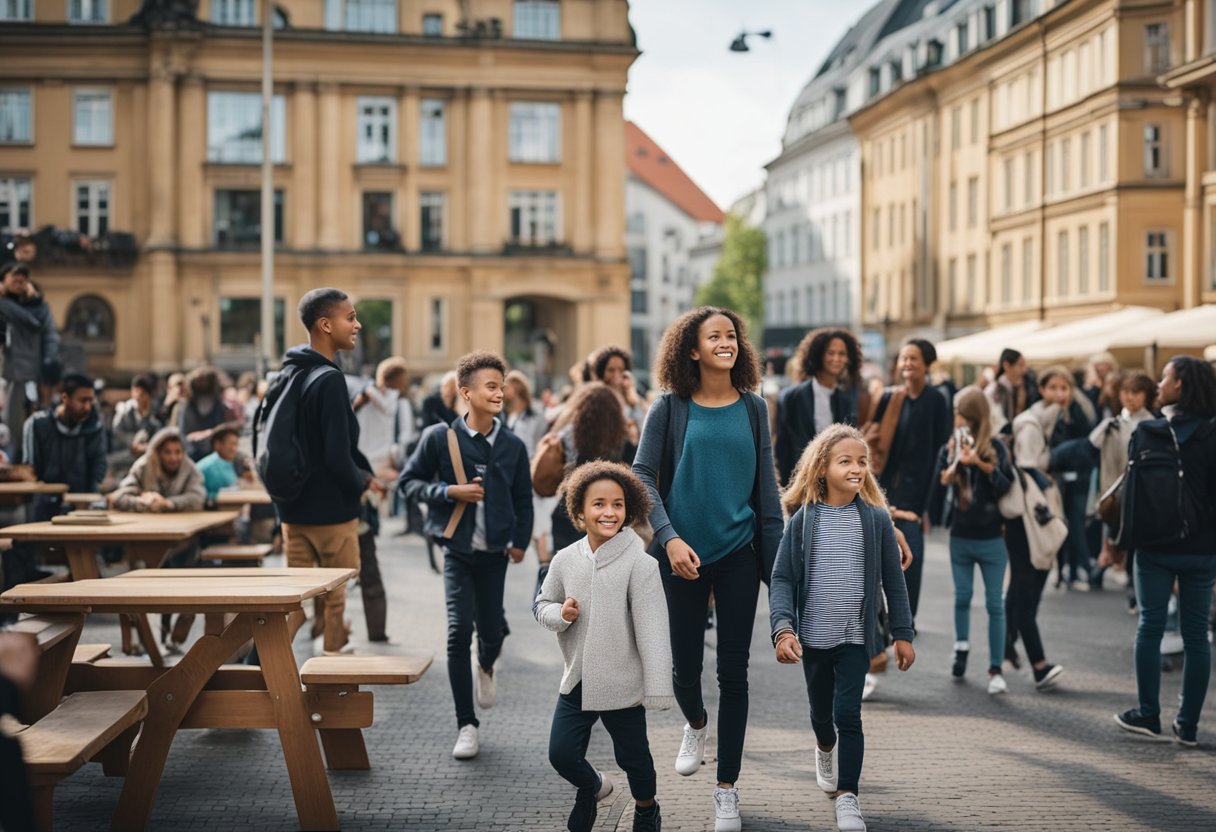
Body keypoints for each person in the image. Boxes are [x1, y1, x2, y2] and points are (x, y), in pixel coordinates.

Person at [632, 306, 783, 832]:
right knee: (683, 670)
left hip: (739, 555)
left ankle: (727, 791)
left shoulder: (754, 409)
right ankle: (695, 723)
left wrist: (780, 573)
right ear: (691, 350)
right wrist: (669, 539)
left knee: (735, 674)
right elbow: (642, 479)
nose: (727, 342)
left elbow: (767, 493)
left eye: (732, 335)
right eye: (714, 336)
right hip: (681, 560)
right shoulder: (669, 409)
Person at [769, 424, 915, 832]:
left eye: (863, 462)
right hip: (812, 638)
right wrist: (783, 628)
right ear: (821, 468)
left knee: (847, 713)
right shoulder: (803, 522)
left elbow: (893, 578)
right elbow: (781, 579)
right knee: (821, 715)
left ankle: (848, 797)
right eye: (846, 461)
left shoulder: (876, 520)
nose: (857, 468)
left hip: (856, 637)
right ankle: (823, 746)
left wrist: (902, 633)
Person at [399, 351, 533, 761]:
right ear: (465, 392)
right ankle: (466, 724)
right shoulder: (439, 438)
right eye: (491, 386)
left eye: (502, 385)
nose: (500, 393)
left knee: (491, 632)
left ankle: (488, 664)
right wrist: (448, 492)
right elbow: (408, 483)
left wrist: (520, 541)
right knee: (459, 632)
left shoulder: (513, 444)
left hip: (495, 554)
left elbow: (522, 500)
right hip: (456, 550)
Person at [534, 461, 671, 832]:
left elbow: (654, 629)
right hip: (577, 678)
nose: (608, 512)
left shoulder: (640, 565)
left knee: (635, 759)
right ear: (579, 511)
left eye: (617, 504)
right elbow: (541, 605)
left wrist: (657, 688)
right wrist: (560, 614)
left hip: (622, 681)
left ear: (629, 511)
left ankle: (646, 808)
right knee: (561, 753)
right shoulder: (564, 559)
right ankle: (592, 786)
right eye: (598, 504)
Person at [271, 288, 383, 657]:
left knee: (295, 603)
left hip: (292, 509)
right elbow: (338, 456)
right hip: (333, 514)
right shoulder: (331, 379)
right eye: (350, 317)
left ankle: (265, 670)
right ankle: (330, 684)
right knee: (335, 601)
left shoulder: (288, 372)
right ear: (325, 324)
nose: (358, 324)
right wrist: (361, 486)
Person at [1114, 357, 1216, 747]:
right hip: (1203, 548)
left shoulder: (1147, 431)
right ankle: (1187, 726)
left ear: (1181, 386)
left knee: (1150, 627)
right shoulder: (1213, 433)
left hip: (1154, 546)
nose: (1159, 383)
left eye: (1166, 378)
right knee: (1196, 636)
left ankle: (1148, 714)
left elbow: (1133, 494)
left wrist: (1125, 541)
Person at [930, 387, 1014, 694]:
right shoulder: (950, 447)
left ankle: (995, 668)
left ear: (974, 417)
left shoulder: (996, 448)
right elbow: (941, 482)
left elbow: (1007, 485)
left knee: (995, 603)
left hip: (993, 538)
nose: (957, 419)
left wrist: (979, 463)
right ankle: (961, 648)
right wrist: (954, 464)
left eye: (961, 414)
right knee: (962, 596)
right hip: (961, 536)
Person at [1004, 369, 1074, 688]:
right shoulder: (1032, 424)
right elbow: (1028, 468)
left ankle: (1005, 647)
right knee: (1028, 587)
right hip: (1029, 514)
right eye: (1054, 387)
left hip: (1028, 512)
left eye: (1066, 388)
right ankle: (1039, 664)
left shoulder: (1050, 420)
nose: (1061, 394)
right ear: (1042, 389)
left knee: (1021, 587)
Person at [871, 338, 950, 622]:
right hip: (886, 488)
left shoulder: (936, 400)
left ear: (927, 364)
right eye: (903, 358)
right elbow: (874, 436)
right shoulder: (891, 398)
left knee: (911, 556)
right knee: (880, 552)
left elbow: (941, 449)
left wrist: (929, 505)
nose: (907, 364)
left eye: (913, 358)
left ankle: (906, 620)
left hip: (918, 492)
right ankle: (881, 616)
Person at [110, 427, 208, 652]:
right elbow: (120, 496)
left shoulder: (189, 468)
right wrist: (143, 501)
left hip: (183, 541)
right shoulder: (144, 466)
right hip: (147, 538)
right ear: (157, 453)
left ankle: (176, 626)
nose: (173, 457)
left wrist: (169, 503)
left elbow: (197, 497)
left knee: (186, 576)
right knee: (149, 580)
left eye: (177, 452)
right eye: (167, 452)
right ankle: (151, 635)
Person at [1090, 371, 1156, 612]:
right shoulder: (1116, 421)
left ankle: (1130, 584)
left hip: (1137, 491)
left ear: (1147, 396)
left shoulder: (1150, 423)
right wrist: (1107, 426)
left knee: (1130, 539)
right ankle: (1100, 570)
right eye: (1126, 392)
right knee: (1111, 534)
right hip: (1112, 489)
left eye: (1136, 392)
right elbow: (1092, 443)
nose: (1130, 397)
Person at [775, 328, 868, 487]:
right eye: (830, 353)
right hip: (800, 484)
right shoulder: (792, 397)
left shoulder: (847, 399)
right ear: (818, 355)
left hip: (836, 486)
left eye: (842, 354)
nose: (836, 358)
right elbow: (783, 448)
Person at [0, 263, 61, 462]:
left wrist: (49, 363)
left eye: (22, 281)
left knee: (21, 429)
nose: (19, 284)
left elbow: (49, 336)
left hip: (25, 376)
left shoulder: (38, 308)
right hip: (9, 374)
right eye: (14, 280)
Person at [23, 374, 106, 517]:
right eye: (82, 400)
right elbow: (30, 469)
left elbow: (98, 468)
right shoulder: (38, 425)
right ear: (65, 398)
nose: (87, 407)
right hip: (43, 504)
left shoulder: (94, 428)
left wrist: (90, 502)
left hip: (80, 506)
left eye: (90, 401)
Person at [109, 372, 164, 477]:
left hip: (148, 453)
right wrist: (133, 444)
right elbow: (118, 434)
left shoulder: (156, 412)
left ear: (149, 395)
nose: (139, 396)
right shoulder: (124, 411)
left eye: (143, 393)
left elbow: (159, 433)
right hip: (124, 454)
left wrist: (148, 447)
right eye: (136, 391)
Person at [178, 367, 235, 462]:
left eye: (205, 381)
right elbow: (183, 433)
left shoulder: (221, 407)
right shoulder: (187, 406)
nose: (202, 384)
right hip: (192, 453)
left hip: (215, 455)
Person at [590, 345, 648, 433]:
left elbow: (644, 429)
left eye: (621, 370)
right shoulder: (594, 398)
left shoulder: (632, 398)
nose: (616, 375)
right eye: (611, 370)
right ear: (601, 372)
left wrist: (633, 402)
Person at [985, 348, 1037, 435]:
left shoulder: (1028, 385)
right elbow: (996, 420)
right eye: (1020, 365)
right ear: (1007, 366)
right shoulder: (994, 391)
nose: (1024, 369)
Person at [196, 424, 249, 502]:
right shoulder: (207, 466)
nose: (234, 449)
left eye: (236, 444)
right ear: (217, 444)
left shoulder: (228, 462)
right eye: (231, 444)